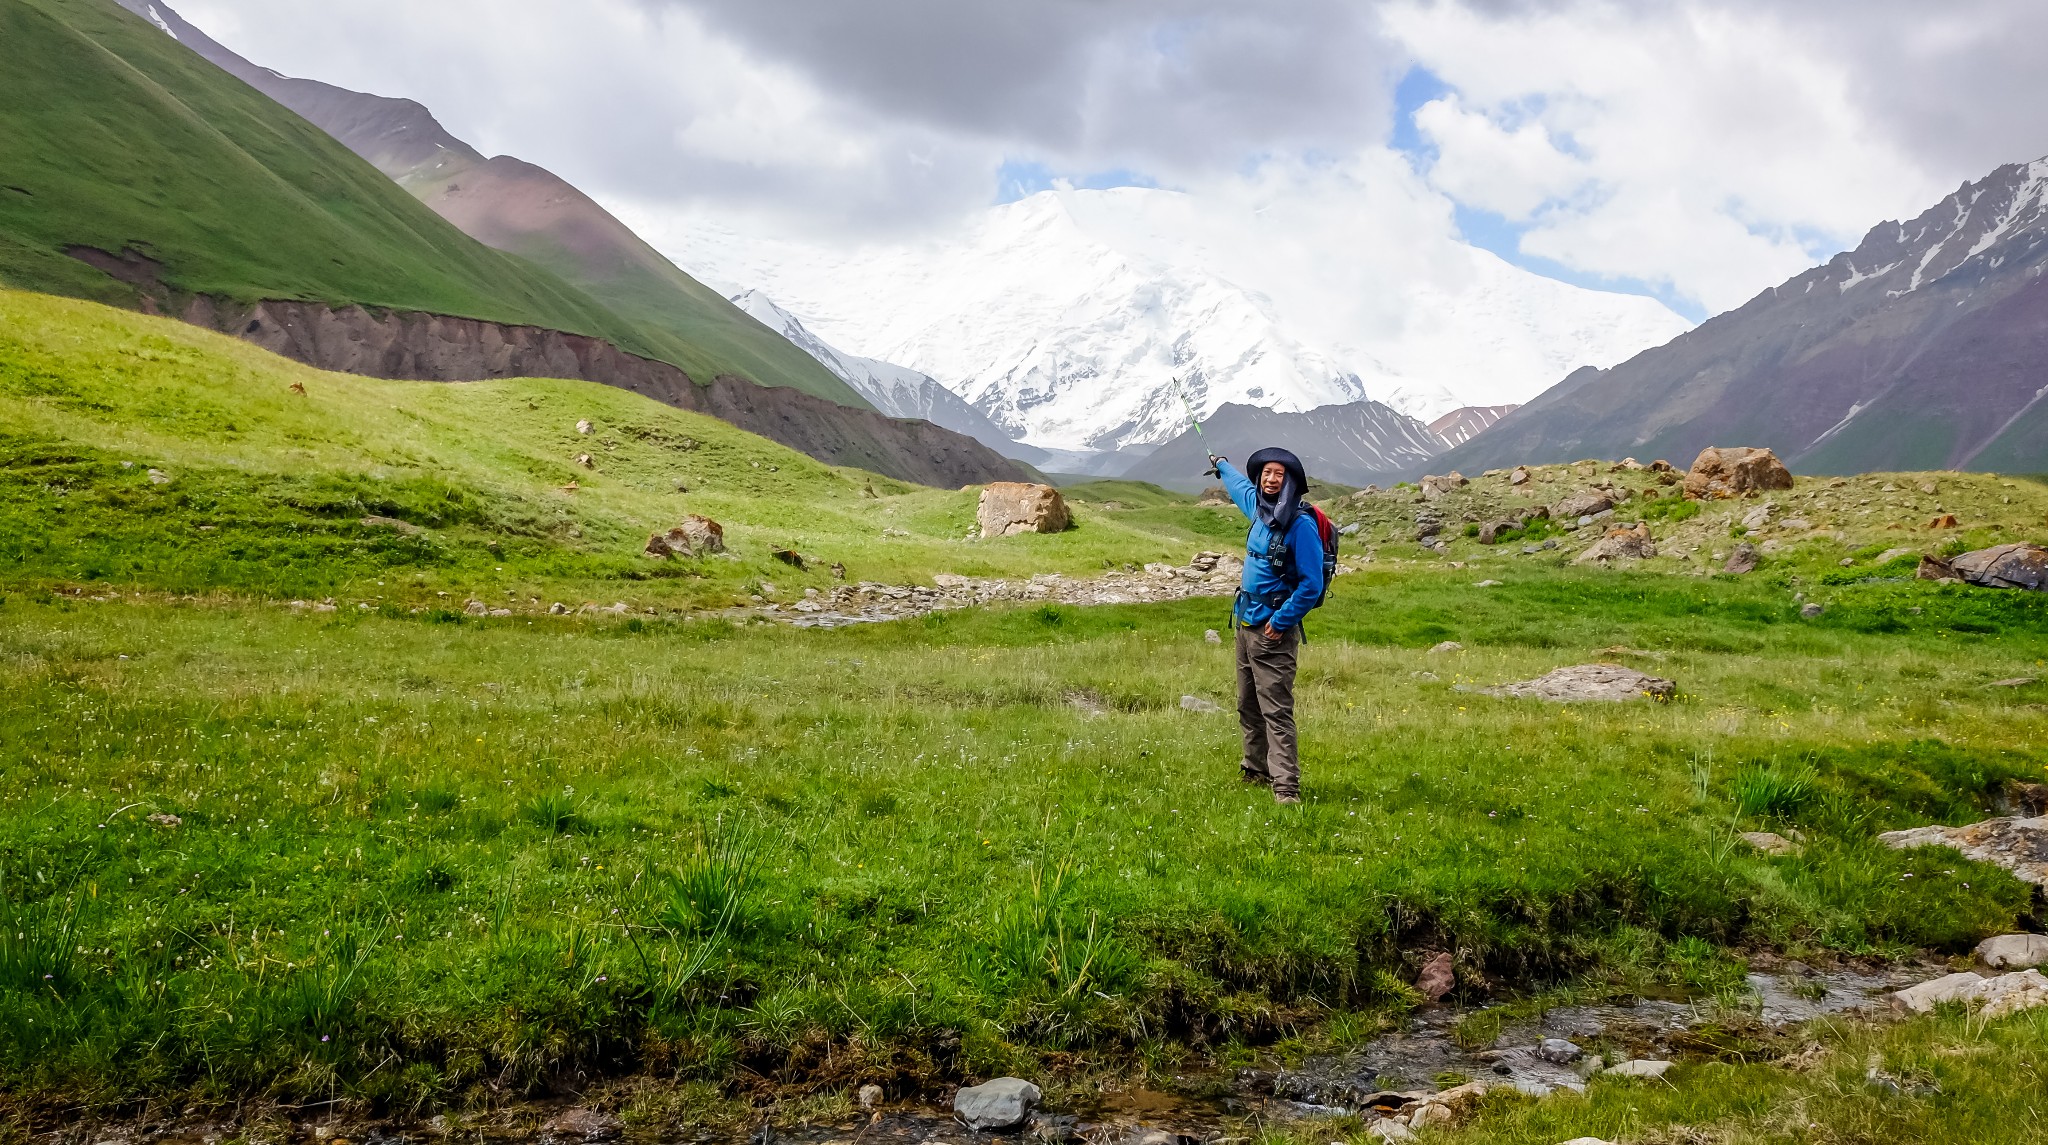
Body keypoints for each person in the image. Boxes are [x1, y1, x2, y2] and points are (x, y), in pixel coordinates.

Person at [1210, 447, 1323, 805]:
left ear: (1290, 481)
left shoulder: (1300, 525)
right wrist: (1221, 465)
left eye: (1279, 475)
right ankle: (1255, 770)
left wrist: (1281, 621)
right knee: (1247, 704)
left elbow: (1311, 584)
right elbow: (1239, 486)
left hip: (1272, 630)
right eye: (1266, 473)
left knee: (1275, 710)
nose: (1270, 479)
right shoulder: (1259, 507)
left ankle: (1286, 788)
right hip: (1245, 624)